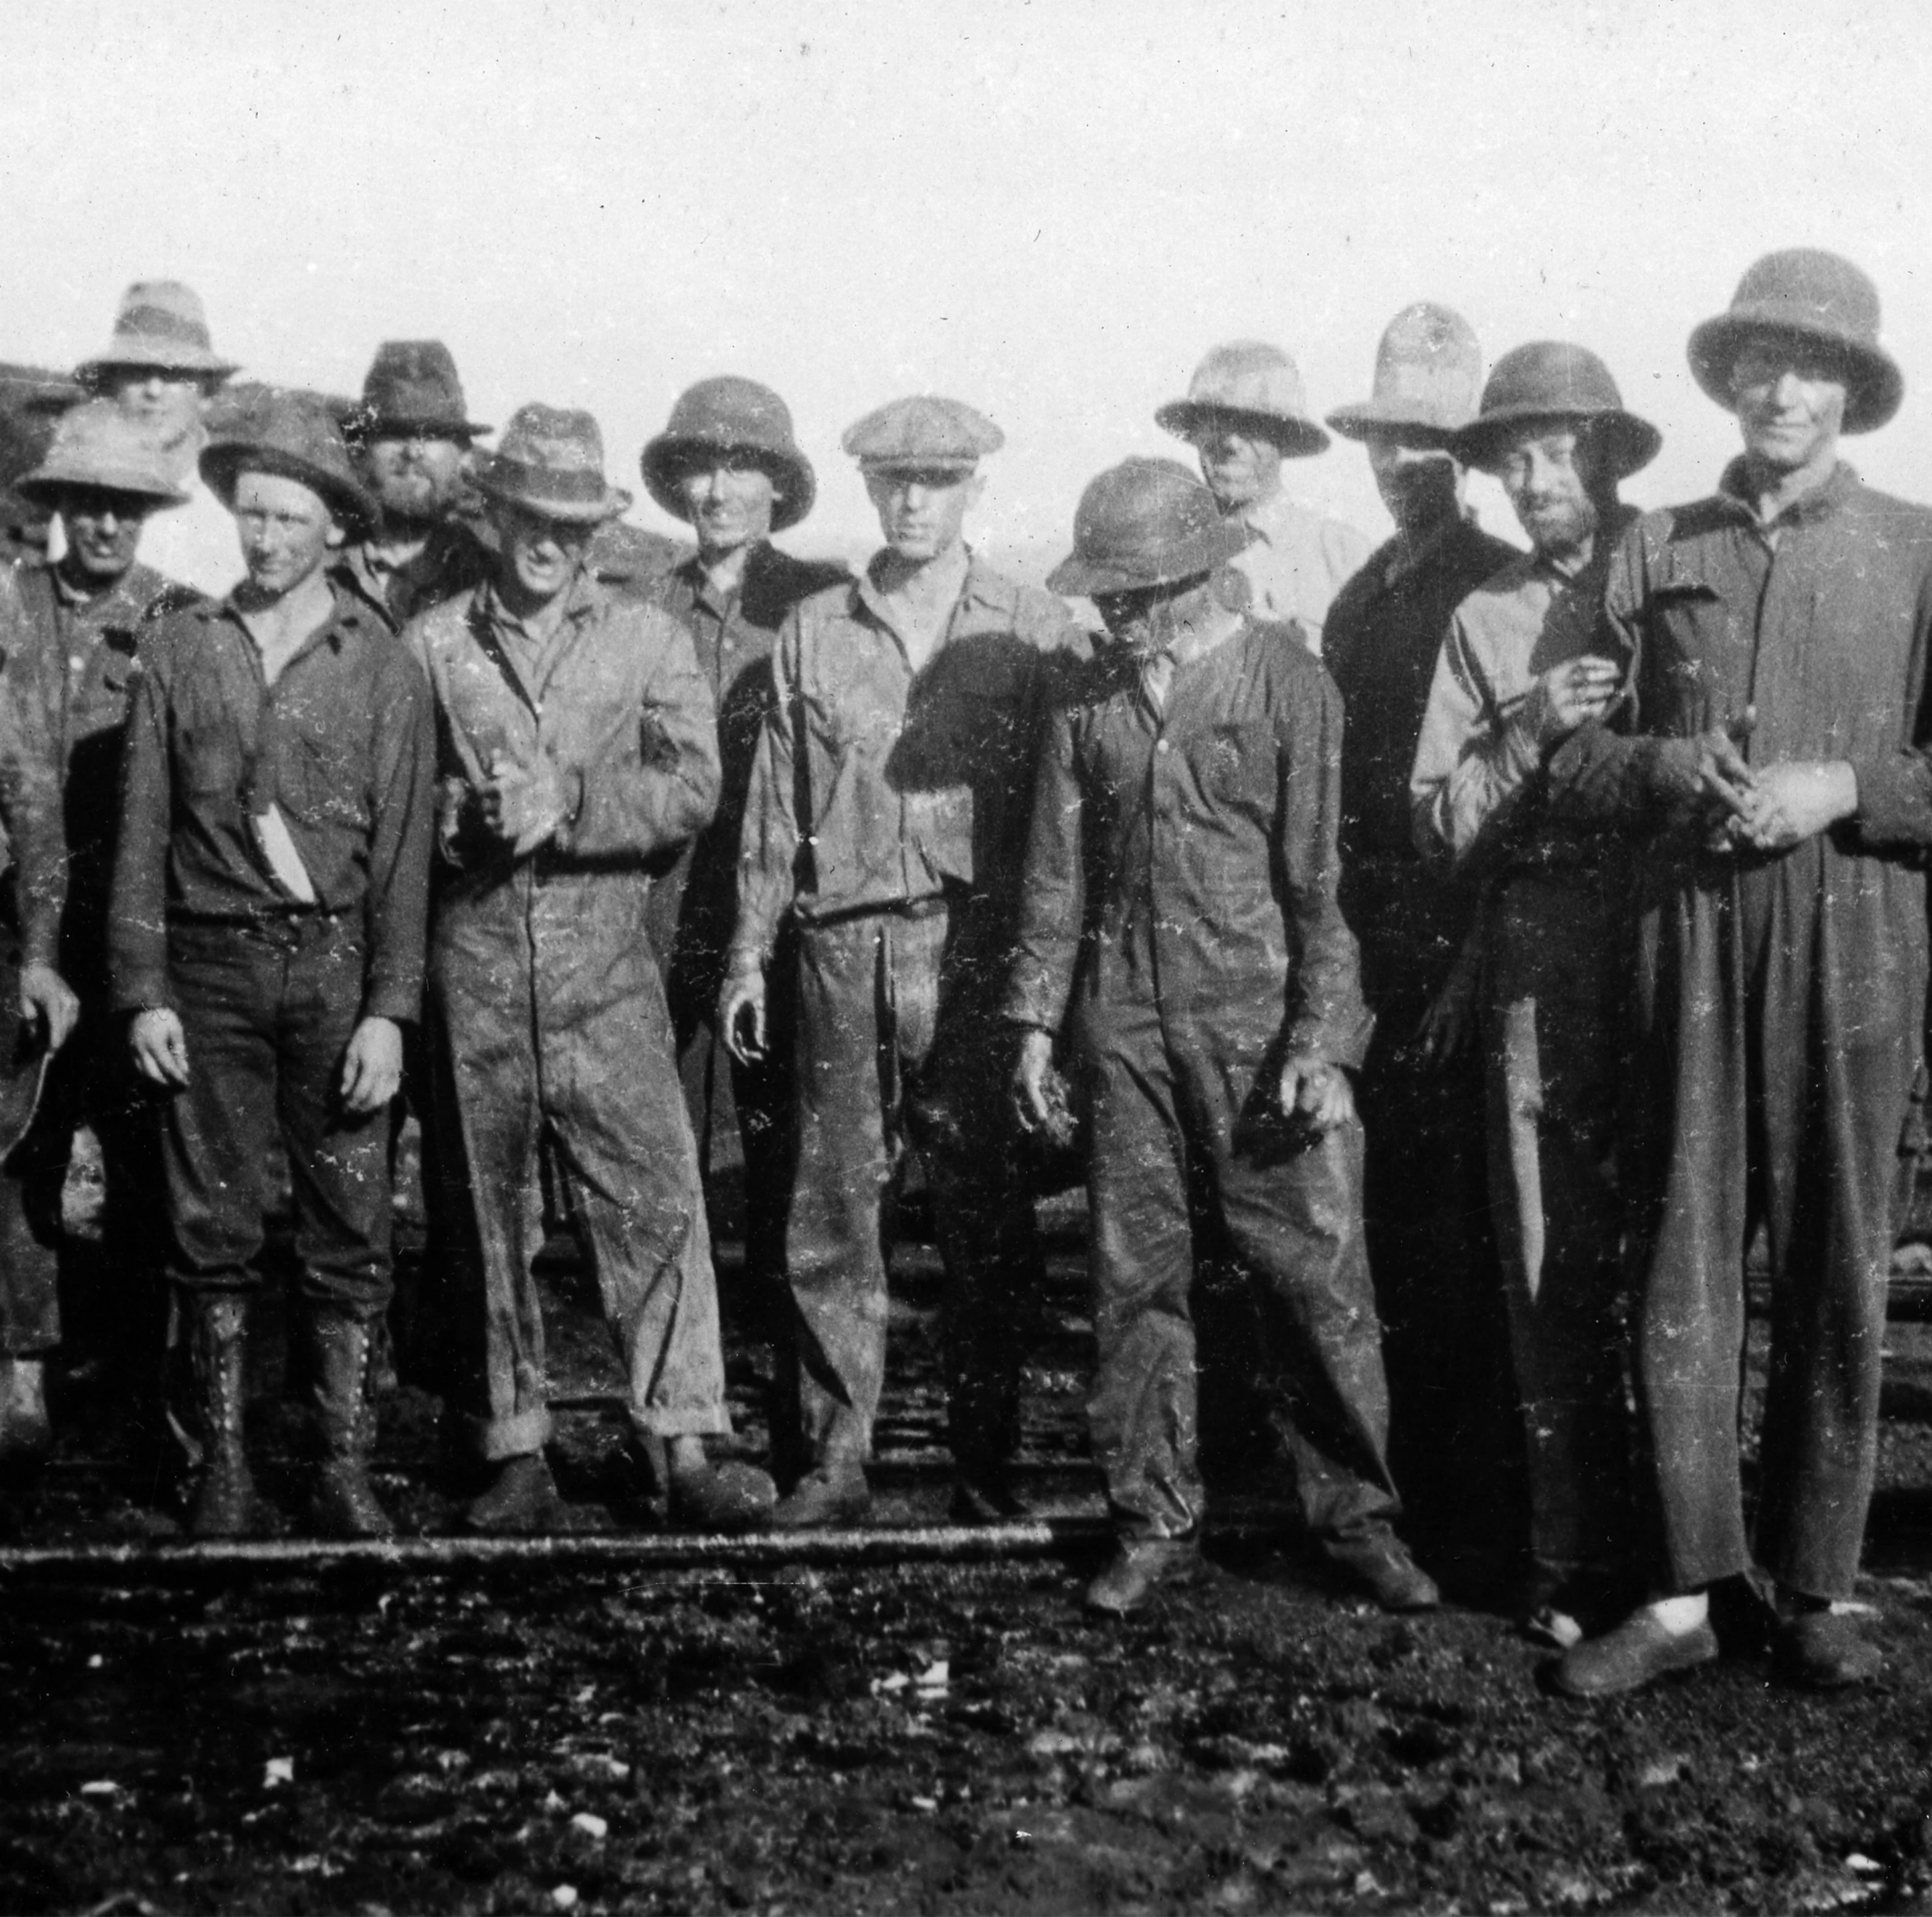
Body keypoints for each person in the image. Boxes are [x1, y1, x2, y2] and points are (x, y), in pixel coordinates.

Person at [1549, 251, 1932, 1695]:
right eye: (1759, 364)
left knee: (1835, 1258)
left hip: (1854, 943)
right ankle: (1676, 1588)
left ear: (1850, 391)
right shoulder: (1652, 547)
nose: (1783, 390)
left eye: (1812, 367)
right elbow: (1569, 751)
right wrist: (1657, 762)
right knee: (1679, 1263)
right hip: (1691, 949)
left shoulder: (1914, 546)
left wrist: (1841, 781)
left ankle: (1816, 1581)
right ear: (1725, 379)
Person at [1007, 456, 1436, 1617]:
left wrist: (1322, 1043)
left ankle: (1355, 1521)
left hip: (1259, 1035)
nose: (1119, 613)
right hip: (1127, 1029)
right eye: (1107, 594)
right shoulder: (1086, 703)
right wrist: (1036, 1028)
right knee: (1131, 1281)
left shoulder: (1287, 685)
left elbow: (1326, 888)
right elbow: (1054, 880)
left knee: (1312, 1278)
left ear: (1200, 576)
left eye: (1139, 592)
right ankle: (1149, 1521)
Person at [407, 403, 775, 1535]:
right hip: (471, 970)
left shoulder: (645, 638)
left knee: (653, 1199)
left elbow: (691, 791)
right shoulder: (430, 644)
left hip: (604, 965)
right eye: (530, 517)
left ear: (595, 529)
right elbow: (386, 809)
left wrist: (564, 806)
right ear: (498, 514)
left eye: (571, 522)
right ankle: (511, 1446)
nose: (549, 542)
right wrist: (459, 822)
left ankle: (684, 1439)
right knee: (483, 1214)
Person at [720, 395, 1080, 1526]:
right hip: (841, 948)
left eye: (939, 480)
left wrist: (1044, 992)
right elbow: (773, 813)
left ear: (976, 488)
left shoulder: (1035, 629)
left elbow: (1067, 824)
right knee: (831, 1213)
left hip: (973, 953)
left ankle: (984, 1456)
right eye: (895, 481)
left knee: (985, 1212)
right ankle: (836, 1461)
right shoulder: (816, 631)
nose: (915, 500)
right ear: (869, 490)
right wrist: (743, 953)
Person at [108, 393, 434, 1538]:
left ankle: (342, 1466)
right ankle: (225, 1471)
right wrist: (142, 991)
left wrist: (391, 1012)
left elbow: (399, 864)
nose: (266, 538)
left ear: (334, 529)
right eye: (252, 514)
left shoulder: (383, 667)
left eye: (292, 519)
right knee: (213, 1226)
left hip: (336, 975)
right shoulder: (181, 650)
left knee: (349, 1225)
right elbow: (142, 834)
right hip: (210, 972)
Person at [1409, 342, 1659, 1646]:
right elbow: (1437, 830)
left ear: (1605, 454)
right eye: (1511, 456)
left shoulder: (1674, 580)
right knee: (1547, 1258)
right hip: (1544, 950)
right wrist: (1520, 728)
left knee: (1681, 1252)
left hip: (1679, 942)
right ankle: (1570, 1557)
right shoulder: (1482, 620)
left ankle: (1699, 1561)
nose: (1532, 477)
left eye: (1558, 450)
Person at [1320, 304, 1523, 1586]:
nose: (1408, 469)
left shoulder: (1498, 591)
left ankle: (1488, 1520)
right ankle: (1413, 1508)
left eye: (1433, 447)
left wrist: (1468, 967)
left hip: (1466, 955)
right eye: (1390, 445)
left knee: (1473, 1242)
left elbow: (1517, 804)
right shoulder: (1359, 596)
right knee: (1390, 1230)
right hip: (1378, 951)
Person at [0, 403, 200, 1433]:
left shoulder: (180, 622)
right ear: (59, 508)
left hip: (130, 921)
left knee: (140, 1137)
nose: (106, 527)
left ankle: (135, 1365)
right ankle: (23, 1360)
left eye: (125, 508)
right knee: (18, 1131)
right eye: (88, 505)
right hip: (14, 922)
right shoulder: (12, 606)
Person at [640, 379, 845, 1348]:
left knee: (780, 1128)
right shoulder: (642, 608)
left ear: (778, 485)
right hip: (665, 905)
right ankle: (683, 1355)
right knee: (665, 1125)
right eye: (702, 467)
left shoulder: (819, 606)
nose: (718, 490)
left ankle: (780, 1340)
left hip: (780, 908)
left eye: (743, 467)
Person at [1157, 341, 1371, 656]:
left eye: (1251, 425)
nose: (1230, 442)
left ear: (1283, 437)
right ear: (1194, 434)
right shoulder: (1162, 551)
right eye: (1215, 422)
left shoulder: (1340, 555)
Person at [73, 280, 241, 599]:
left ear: (207, 391)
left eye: (173, 374)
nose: (153, 391)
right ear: (111, 387)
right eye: (136, 372)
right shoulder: (79, 504)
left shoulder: (234, 509)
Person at [336, 341, 493, 632]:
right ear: (360, 451)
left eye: (430, 435)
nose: (412, 451)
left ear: (465, 455)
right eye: (394, 433)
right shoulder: (322, 570)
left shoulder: (489, 579)